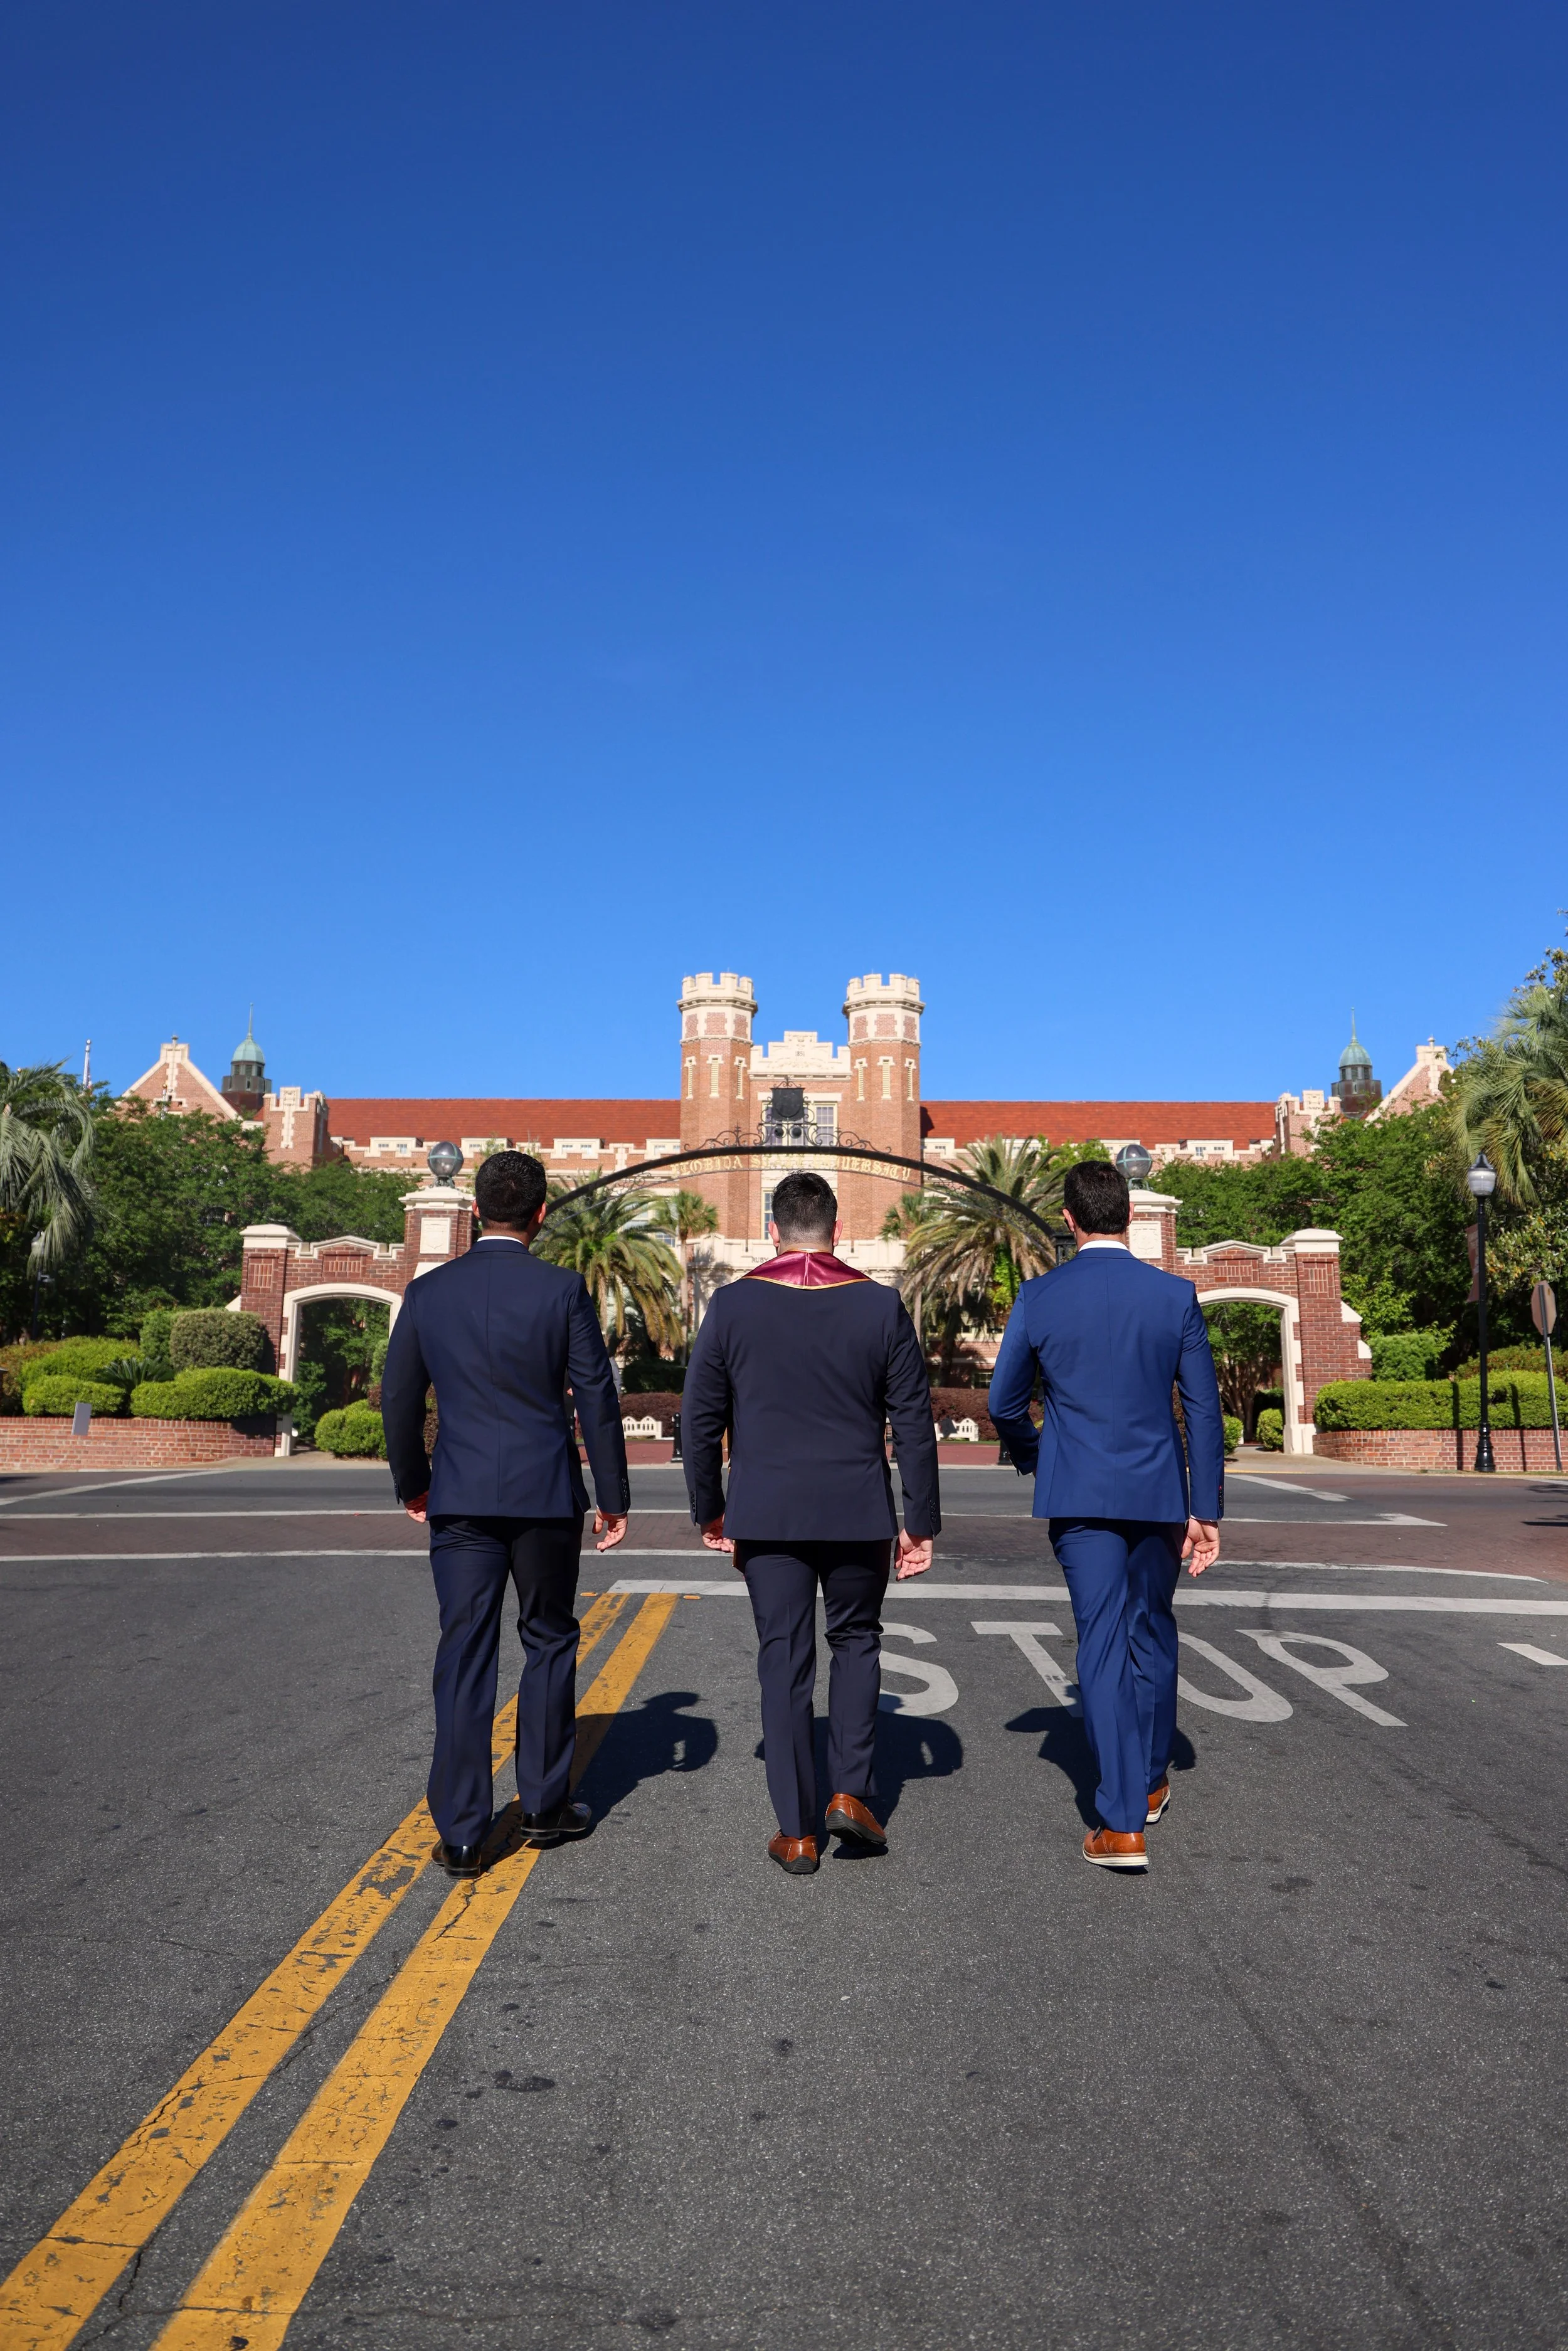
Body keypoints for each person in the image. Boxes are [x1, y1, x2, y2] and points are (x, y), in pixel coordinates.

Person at [682, 1170, 940, 1877]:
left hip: (766, 1509)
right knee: (856, 1641)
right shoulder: (879, 1306)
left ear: (773, 1229)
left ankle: (795, 1830)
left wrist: (709, 1506)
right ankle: (851, 1792)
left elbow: (699, 1418)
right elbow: (913, 1420)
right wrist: (919, 1519)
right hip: (857, 1506)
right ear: (837, 1230)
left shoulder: (732, 1306)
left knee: (783, 1656)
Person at [381, 1150, 630, 1877]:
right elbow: (595, 1396)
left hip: (458, 1496)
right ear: (541, 1214)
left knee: (464, 1652)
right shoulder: (562, 1290)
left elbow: (400, 1398)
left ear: (474, 1211)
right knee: (549, 1638)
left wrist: (414, 1483)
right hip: (546, 1496)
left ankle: (461, 1831)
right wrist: (612, 1495)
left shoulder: (429, 1293)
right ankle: (545, 1804)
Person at [988, 1158, 1223, 1872]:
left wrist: (1036, 1452)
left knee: (1100, 1641)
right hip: (1159, 1496)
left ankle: (1120, 1823)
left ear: (1068, 1218)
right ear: (1128, 1214)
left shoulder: (1039, 1296)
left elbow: (1003, 1403)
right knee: (1151, 1629)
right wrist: (1204, 1509)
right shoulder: (1174, 1295)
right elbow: (1204, 1408)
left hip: (1080, 1495)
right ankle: (1150, 1780)